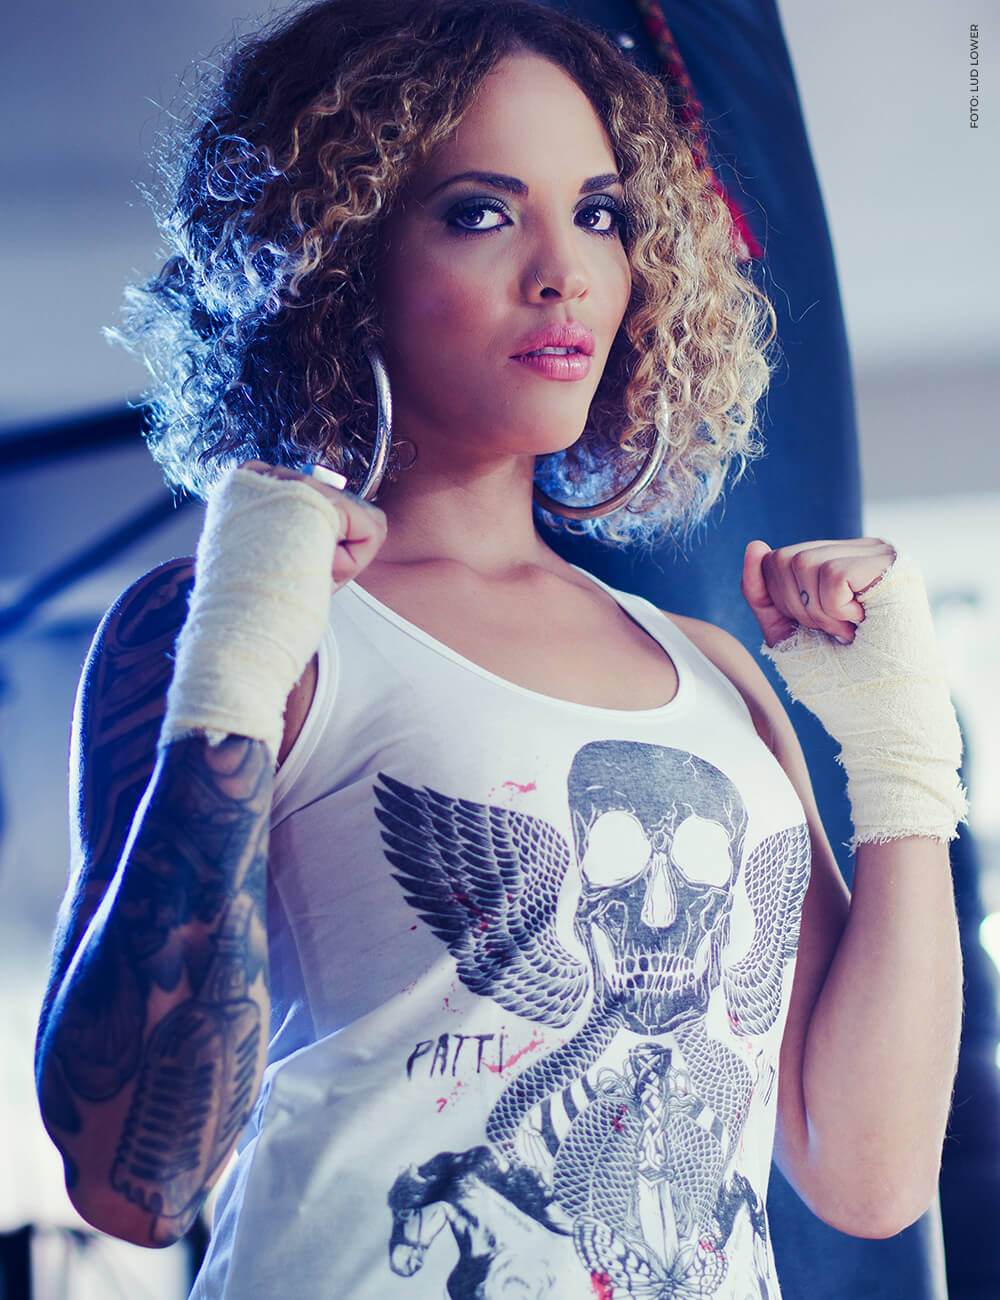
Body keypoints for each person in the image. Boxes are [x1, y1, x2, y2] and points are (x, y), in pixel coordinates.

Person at [34, 2, 968, 1296]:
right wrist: (238, 656)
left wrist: (904, 755)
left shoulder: (715, 672)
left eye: (599, 213)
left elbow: (868, 1176)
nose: (563, 271)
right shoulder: (246, 623)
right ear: (338, 256)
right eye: (481, 211)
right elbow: (133, 1189)